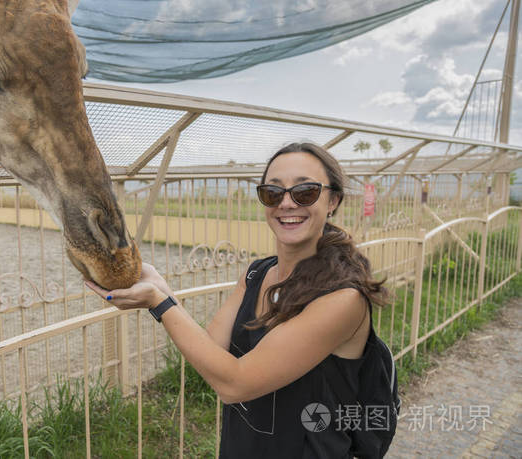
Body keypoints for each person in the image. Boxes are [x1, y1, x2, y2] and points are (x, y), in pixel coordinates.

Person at [86, 142, 389, 458]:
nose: (287, 203)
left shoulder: (341, 299)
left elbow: (235, 384)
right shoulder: (257, 274)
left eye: (305, 191)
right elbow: (211, 351)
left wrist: (159, 303)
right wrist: (162, 290)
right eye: (273, 192)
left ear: (333, 200)